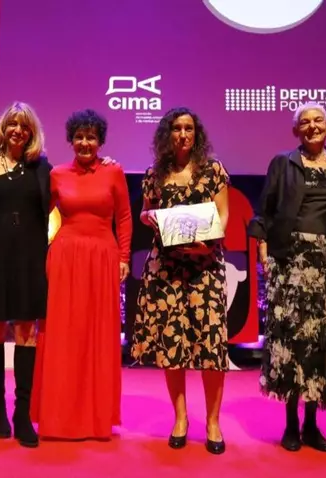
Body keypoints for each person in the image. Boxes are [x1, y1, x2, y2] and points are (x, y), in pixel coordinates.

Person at [248, 102, 326, 452]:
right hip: (289, 259)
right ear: (296, 131)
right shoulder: (283, 162)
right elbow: (265, 208)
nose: (312, 126)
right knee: (292, 342)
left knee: (321, 342)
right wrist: (263, 249)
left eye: (318, 120)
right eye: (304, 122)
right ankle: (291, 423)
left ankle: (311, 424)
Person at [131, 107, 230, 454]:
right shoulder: (155, 173)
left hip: (206, 267)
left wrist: (209, 241)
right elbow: (145, 212)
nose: (183, 134)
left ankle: (213, 422)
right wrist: (148, 216)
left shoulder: (213, 170)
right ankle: (181, 418)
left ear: (196, 133)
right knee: (171, 344)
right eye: (176, 128)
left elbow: (223, 215)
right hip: (166, 270)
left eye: (189, 128)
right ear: (167, 133)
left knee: (211, 347)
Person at [30, 109, 132, 440]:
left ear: (100, 141)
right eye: (79, 137)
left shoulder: (114, 171)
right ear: (70, 140)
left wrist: (124, 257)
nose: (85, 142)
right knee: (62, 335)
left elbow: (124, 217)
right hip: (65, 258)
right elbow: (37, 214)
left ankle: (95, 417)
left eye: (91, 137)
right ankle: (58, 416)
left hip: (102, 258)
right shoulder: (56, 174)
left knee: (98, 336)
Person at [0, 102, 50, 448]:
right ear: (3, 127)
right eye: (13, 123)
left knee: (27, 330)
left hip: (29, 256)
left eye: (25, 126)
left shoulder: (42, 166)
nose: (18, 130)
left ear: (32, 133)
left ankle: (22, 412)